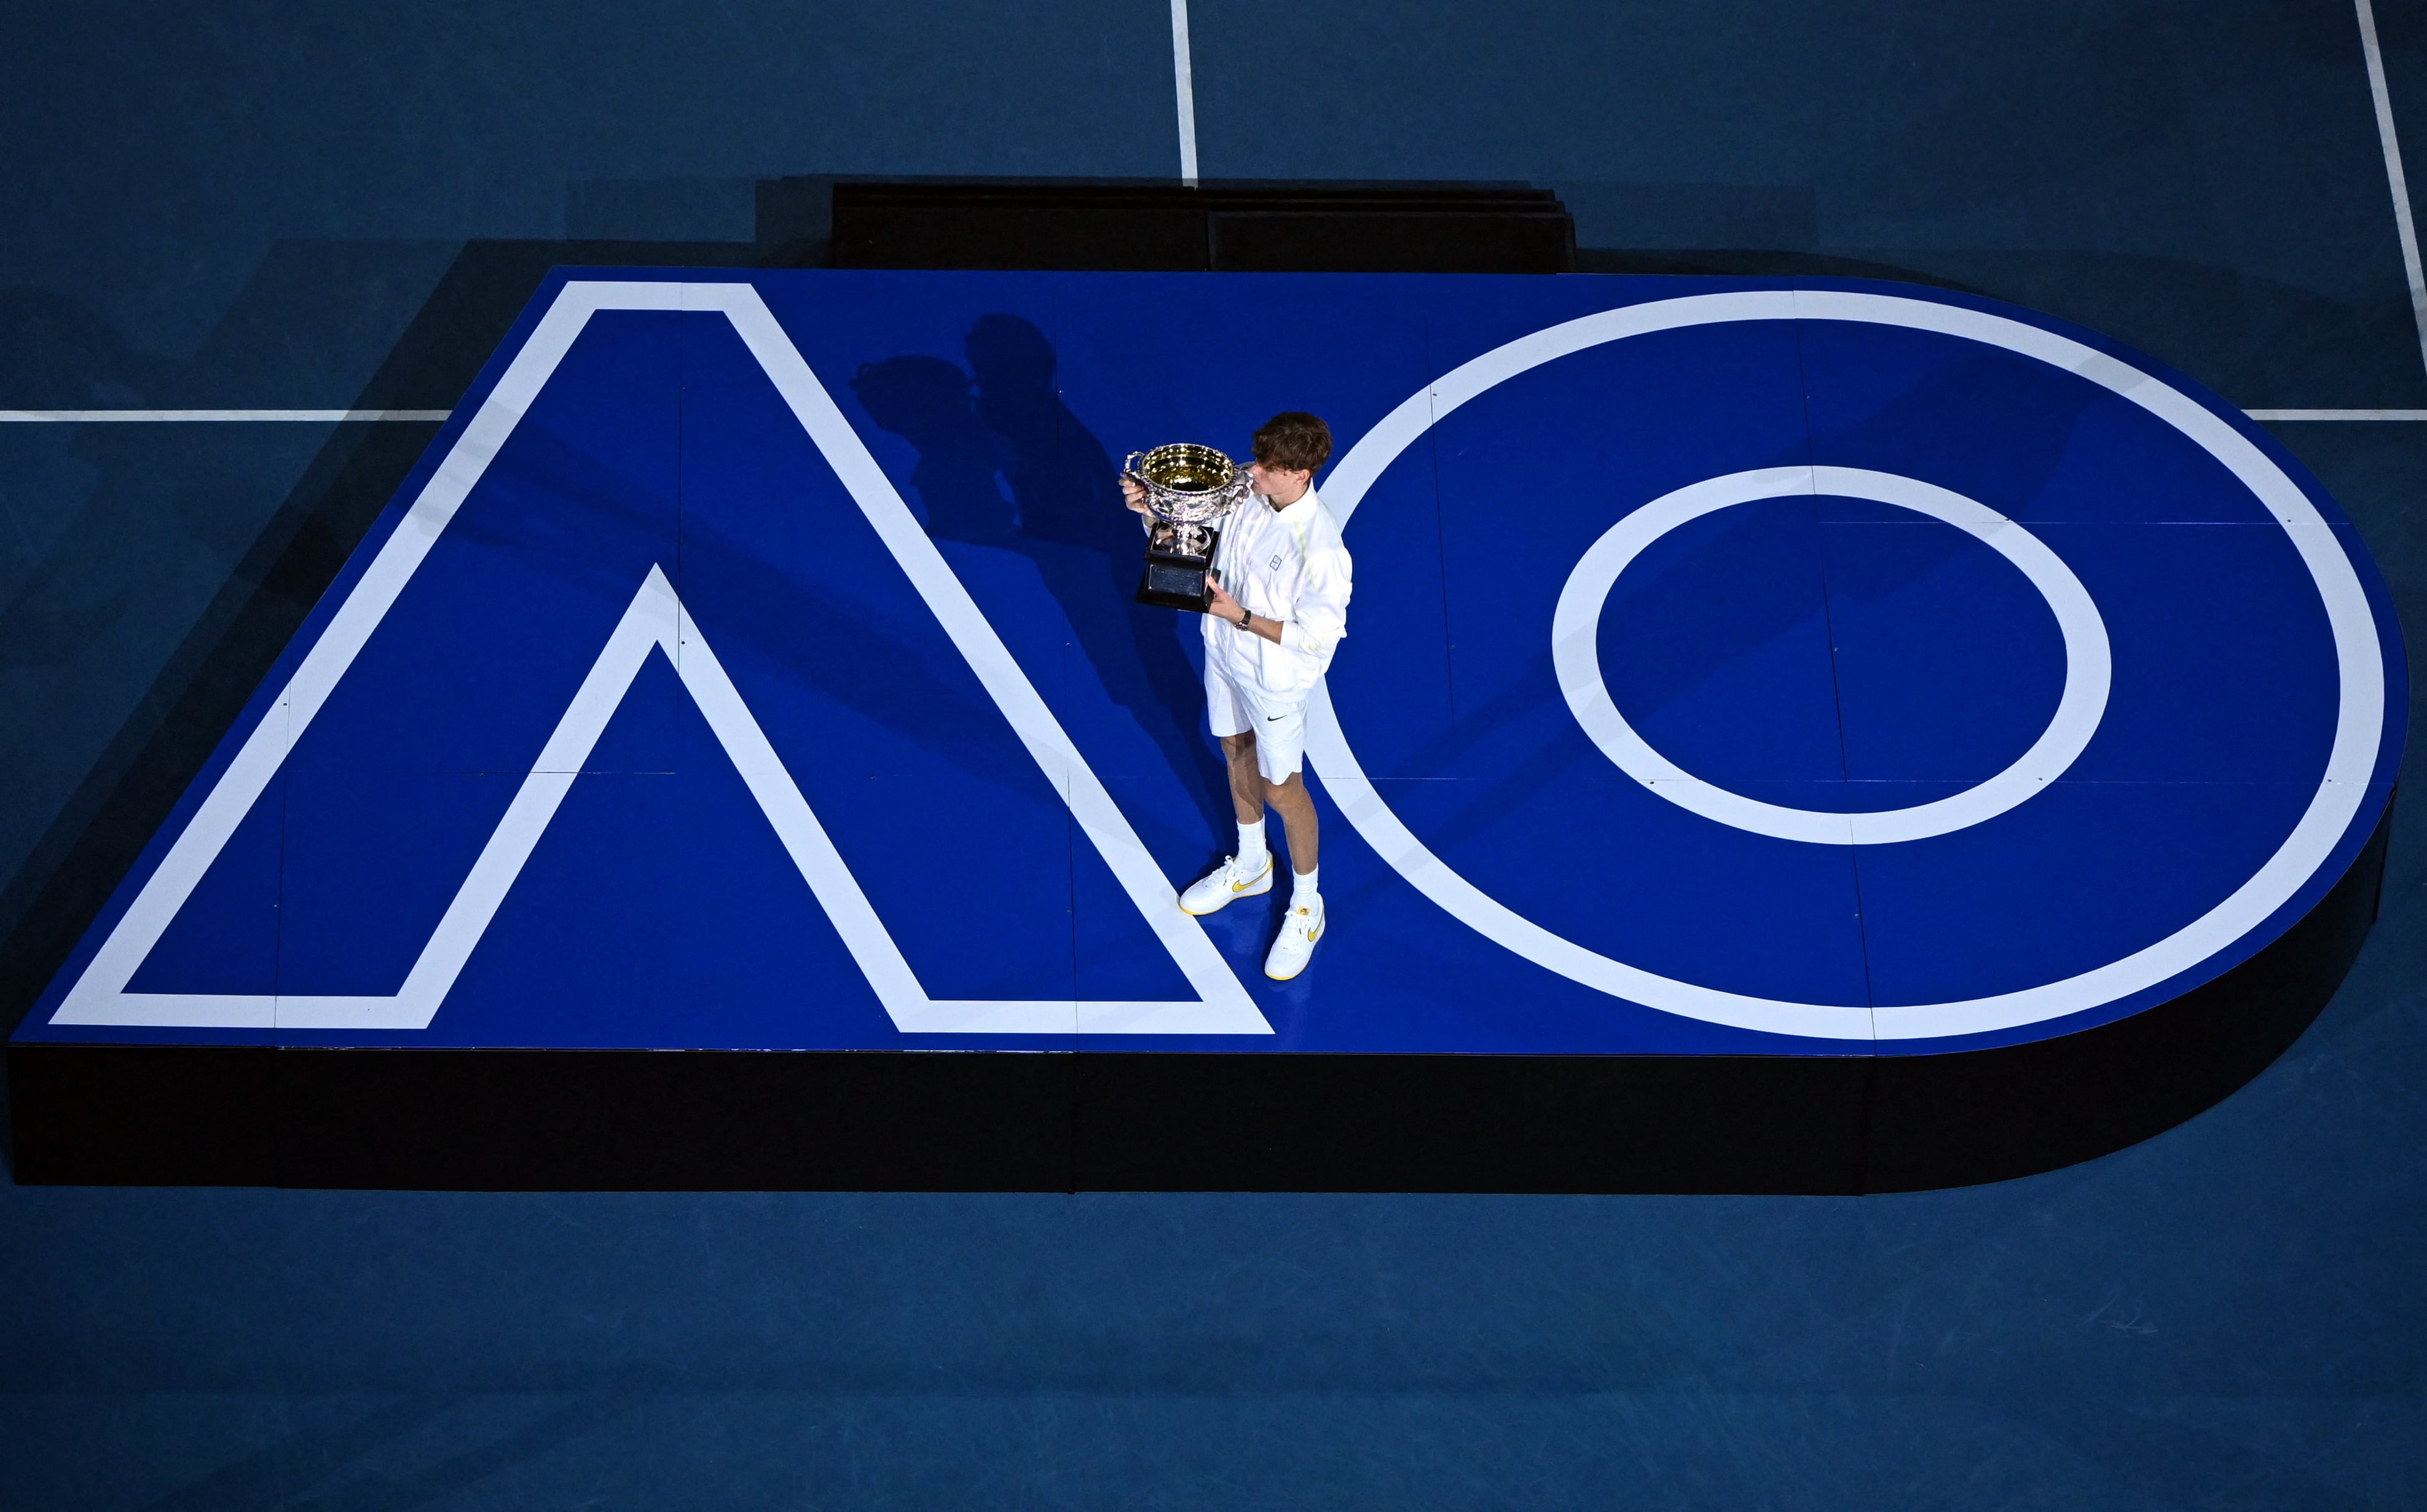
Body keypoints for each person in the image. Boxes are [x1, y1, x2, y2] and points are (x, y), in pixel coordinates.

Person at [1122, 412, 1353, 980]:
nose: (1253, 471)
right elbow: (1196, 545)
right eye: (1258, 458)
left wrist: (1240, 615)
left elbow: (1318, 637)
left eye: (1269, 468)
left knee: (1282, 790)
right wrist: (1151, 514)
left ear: (1299, 474)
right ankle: (1252, 865)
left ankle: (1306, 903)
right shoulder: (1250, 493)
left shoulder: (1320, 549)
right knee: (1232, 748)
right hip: (1223, 651)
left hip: (1274, 676)